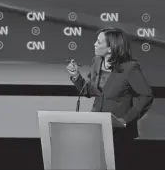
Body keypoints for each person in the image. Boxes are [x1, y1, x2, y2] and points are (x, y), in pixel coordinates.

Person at [66, 27, 154, 170]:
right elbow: (90, 91)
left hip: (119, 132)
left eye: (99, 42)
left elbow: (147, 95)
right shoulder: (96, 62)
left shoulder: (130, 68)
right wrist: (76, 76)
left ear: (110, 48)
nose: (94, 44)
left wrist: (126, 119)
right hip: (96, 128)